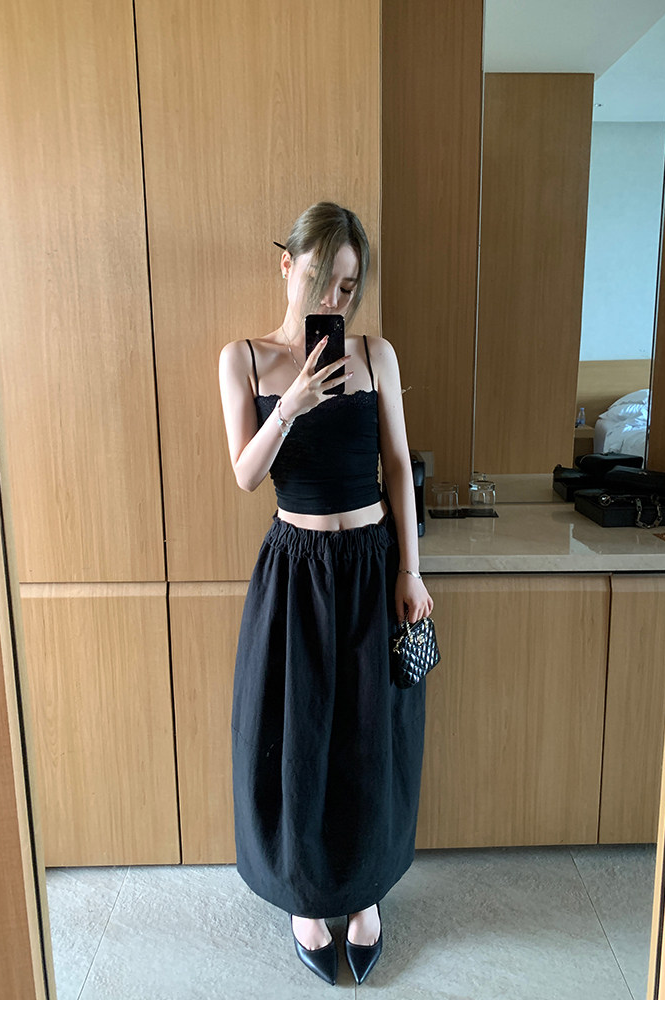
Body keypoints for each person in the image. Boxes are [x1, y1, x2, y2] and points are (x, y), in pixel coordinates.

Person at [218, 201, 433, 986]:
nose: (334, 300)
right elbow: (246, 474)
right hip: (296, 571)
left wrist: (411, 570)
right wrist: (292, 406)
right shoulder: (242, 359)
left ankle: (365, 890)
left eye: (347, 287)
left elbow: (398, 466)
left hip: (373, 565)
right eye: (321, 280)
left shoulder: (375, 355)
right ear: (288, 265)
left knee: (371, 735)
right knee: (300, 735)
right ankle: (307, 898)